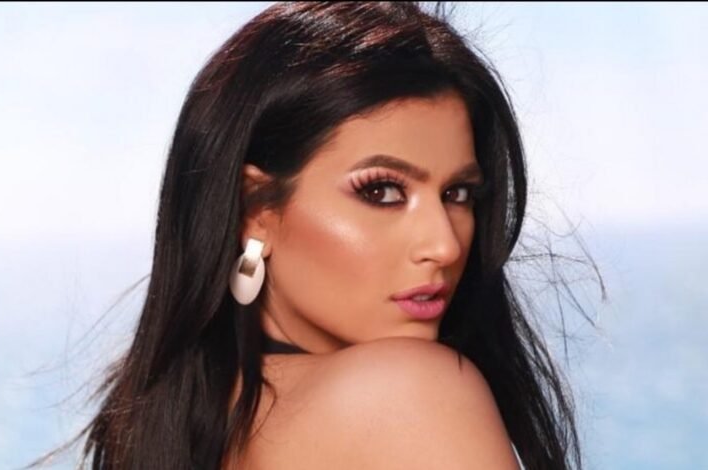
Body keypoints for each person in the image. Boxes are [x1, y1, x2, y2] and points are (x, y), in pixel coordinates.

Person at [44, 2, 585, 469]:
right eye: (382, 191)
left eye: (458, 193)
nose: (444, 246)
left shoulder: (168, 423)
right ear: (256, 209)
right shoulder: (411, 394)